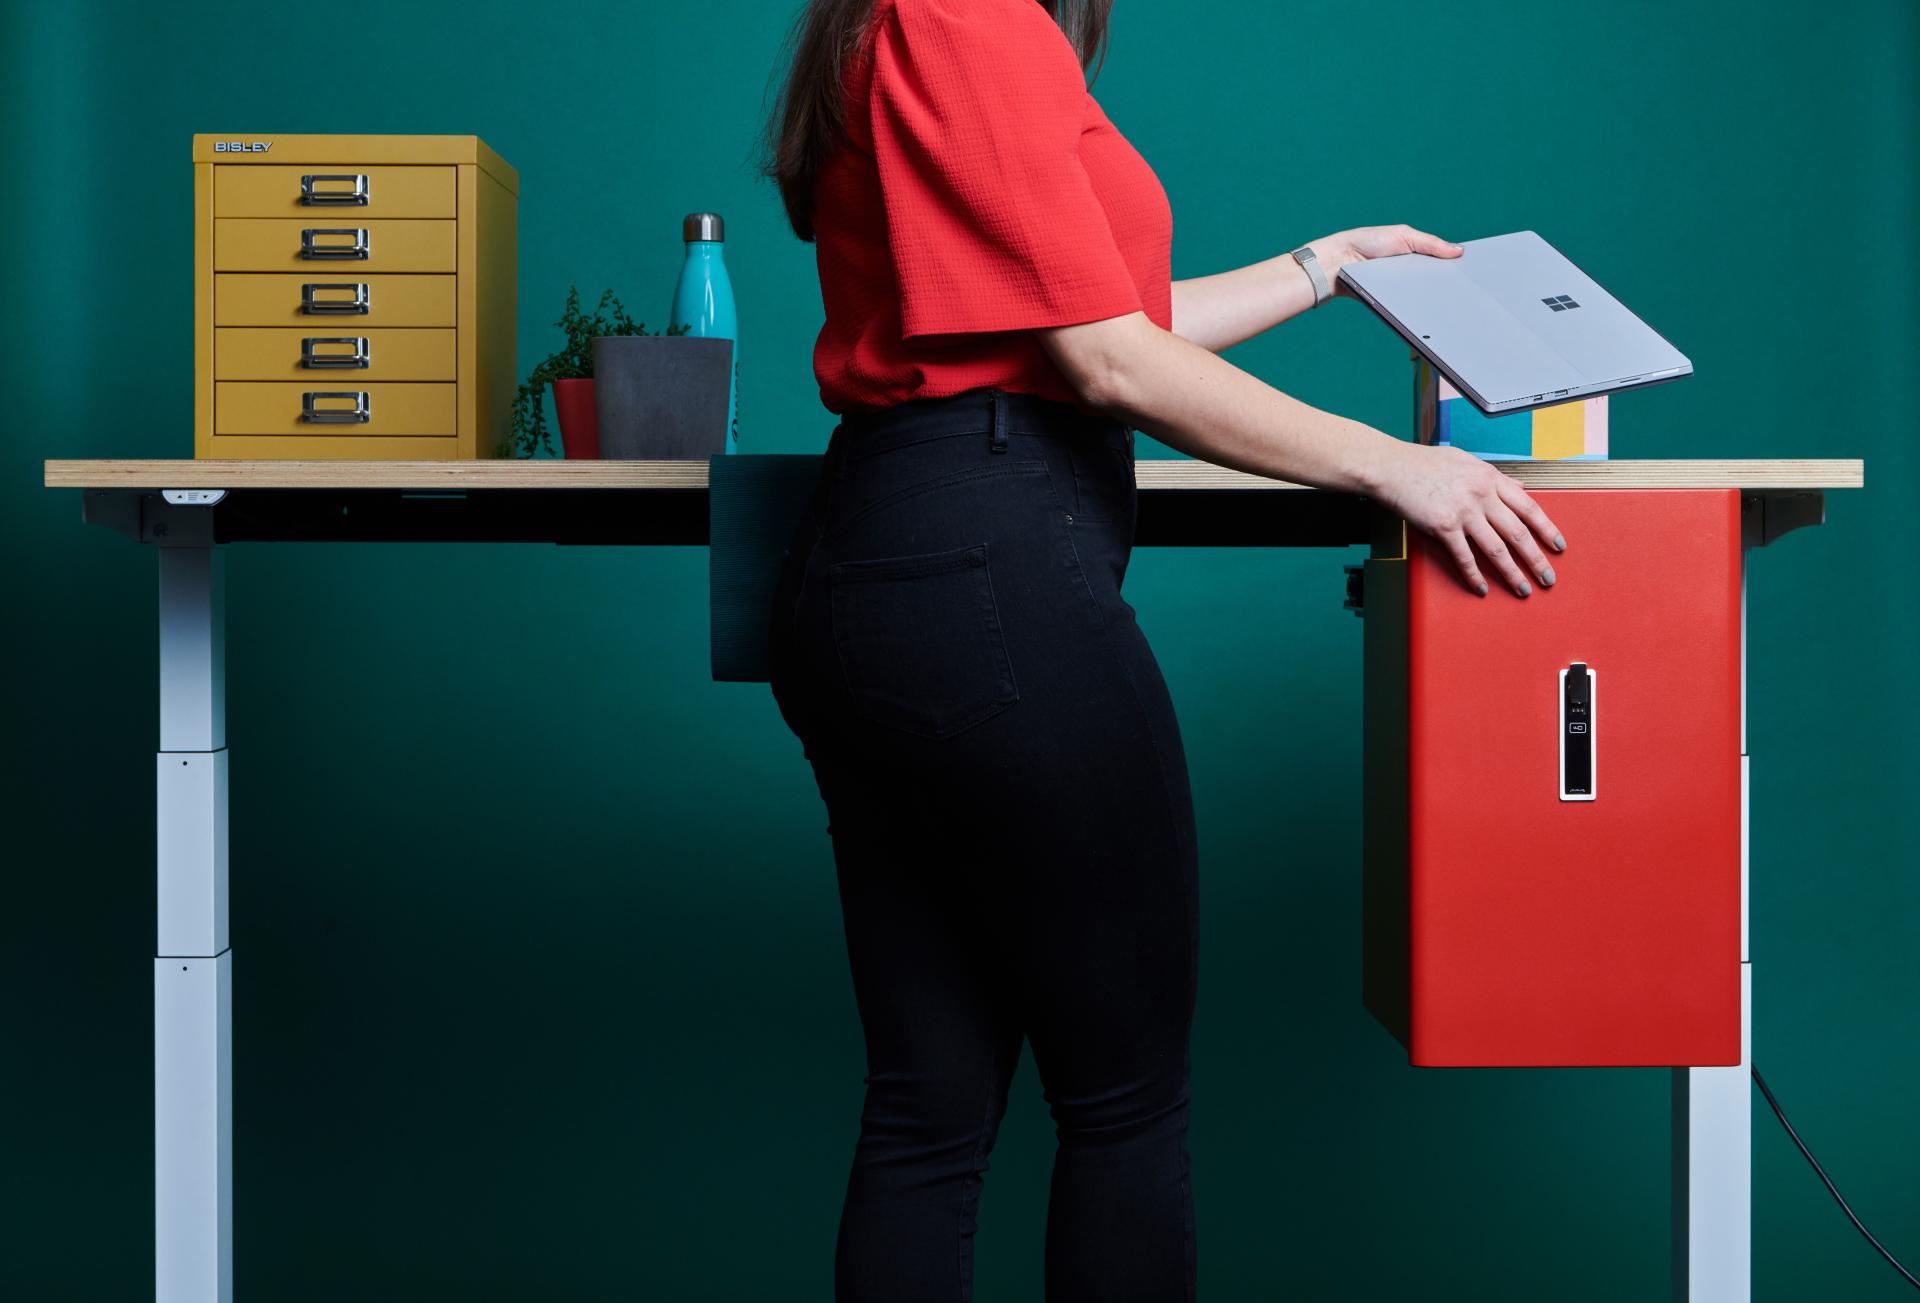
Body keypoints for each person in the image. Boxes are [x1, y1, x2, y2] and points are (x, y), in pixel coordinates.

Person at [760, 1, 1566, 1298]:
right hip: (988, 575)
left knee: (926, 1114)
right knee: (1124, 1103)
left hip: (882, 573)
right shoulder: (971, 14)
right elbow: (1104, 359)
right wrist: (1398, 467)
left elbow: (1093, 317)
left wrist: (1324, 264)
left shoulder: (901, 23)